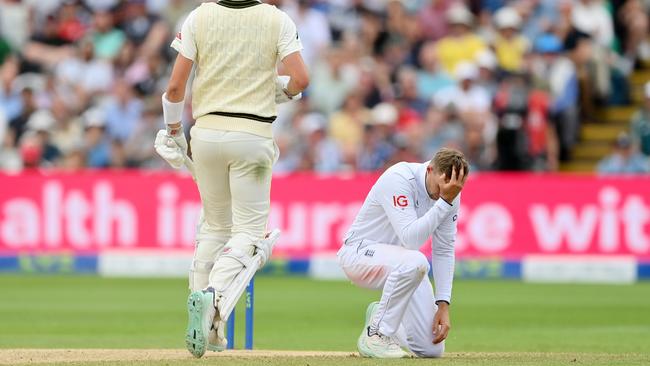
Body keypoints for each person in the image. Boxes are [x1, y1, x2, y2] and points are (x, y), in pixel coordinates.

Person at [153, 0, 309, 358]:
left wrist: (174, 129)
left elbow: (176, 87)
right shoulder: (276, 18)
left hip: (205, 135)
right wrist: (271, 91)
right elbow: (300, 80)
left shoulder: (199, 15)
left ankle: (210, 328)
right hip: (252, 136)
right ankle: (212, 296)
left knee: (215, 226)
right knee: (250, 234)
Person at [337, 147, 469, 358]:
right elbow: (411, 238)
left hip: (401, 266)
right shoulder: (399, 178)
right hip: (359, 254)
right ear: (430, 169)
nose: (443, 193)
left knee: (431, 349)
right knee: (417, 262)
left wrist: (443, 305)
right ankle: (377, 334)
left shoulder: (450, 193)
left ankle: (379, 315)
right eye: (440, 187)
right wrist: (444, 202)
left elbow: (444, 249)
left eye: (452, 190)